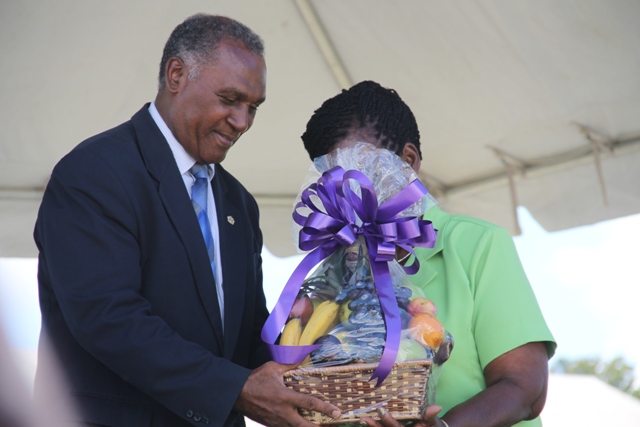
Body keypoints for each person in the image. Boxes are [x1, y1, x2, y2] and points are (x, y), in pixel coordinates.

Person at [33, 13, 340, 427]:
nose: (242, 122)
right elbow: (110, 320)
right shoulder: (93, 173)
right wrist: (236, 390)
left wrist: (341, 361)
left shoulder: (238, 203)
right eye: (230, 100)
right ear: (176, 75)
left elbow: (246, 340)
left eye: (253, 107)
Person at [300, 80, 556, 427]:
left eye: (360, 170)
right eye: (332, 180)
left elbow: (526, 388)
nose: (348, 192)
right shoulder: (337, 266)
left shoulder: (476, 243)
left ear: (408, 160)